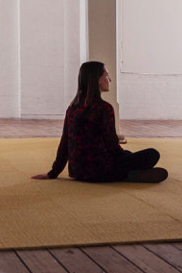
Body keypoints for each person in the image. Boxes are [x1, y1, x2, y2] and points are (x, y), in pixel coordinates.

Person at [32, 61, 168, 183]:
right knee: (152, 154)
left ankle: (130, 174)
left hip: (77, 171)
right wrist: (130, 159)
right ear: (97, 79)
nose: (110, 80)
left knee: (128, 155)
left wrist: (53, 173)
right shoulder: (104, 108)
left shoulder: (72, 107)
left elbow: (64, 143)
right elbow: (112, 146)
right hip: (100, 171)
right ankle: (128, 174)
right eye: (106, 75)